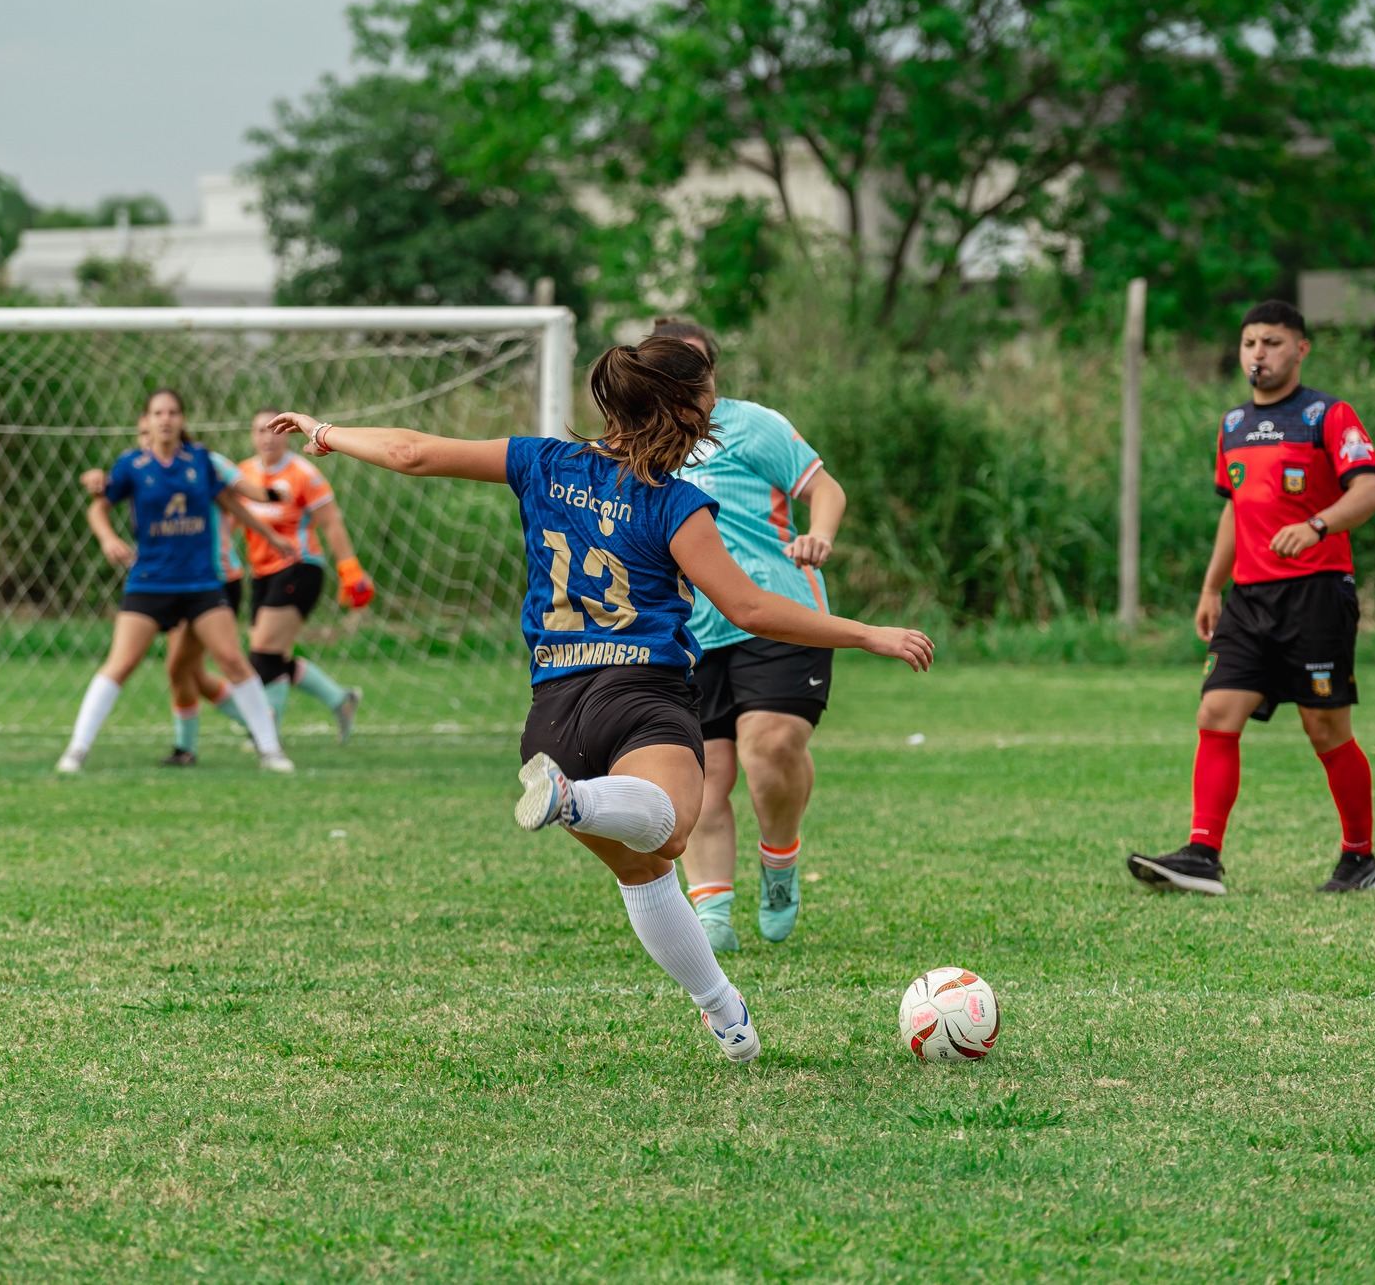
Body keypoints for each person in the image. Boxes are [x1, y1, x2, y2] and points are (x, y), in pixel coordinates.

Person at [263, 336, 935, 1064]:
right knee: (674, 829)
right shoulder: (676, 503)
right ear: (681, 408)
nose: (715, 402)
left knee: (642, 870)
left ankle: (725, 1012)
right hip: (638, 694)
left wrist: (326, 433)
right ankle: (576, 801)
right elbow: (749, 608)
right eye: (707, 393)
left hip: (552, 711)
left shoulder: (542, 462)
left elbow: (413, 451)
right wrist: (866, 632)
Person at [1128, 300, 1375, 896]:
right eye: (1249, 343)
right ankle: (1202, 855)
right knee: (1216, 713)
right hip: (1248, 599)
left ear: (1301, 349)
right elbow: (1234, 510)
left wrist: (1319, 524)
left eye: (1272, 342)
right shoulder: (1233, 425)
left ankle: (1360, 859)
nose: (1258, 354)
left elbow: (1370, 491)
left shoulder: (1328, 414)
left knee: (1326, 730)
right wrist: (1211, 586)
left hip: (1317, 594)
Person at [655, 317, 848, 953]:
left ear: (712, 374)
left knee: (770, 746)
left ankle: (780, 862)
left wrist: (819, 533)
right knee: (705, 773)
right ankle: (712, 911)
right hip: (690, 632)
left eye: (697, 368)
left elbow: (824, 488)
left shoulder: (751, 424)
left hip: (778, 610)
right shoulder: (645, 443)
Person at [55, 389, 299, 775]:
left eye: (172, 412)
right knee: (121, 664)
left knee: (232, 660)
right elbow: (99, 507)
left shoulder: (200, 460)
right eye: (158, 412)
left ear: (182, 419)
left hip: (200, 583)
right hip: (150, 581)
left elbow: (230, 503)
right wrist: (107, 538)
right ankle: (76, 751)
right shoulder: (132, 465)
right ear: (146, 421)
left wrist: (271, 536)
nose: (165, 419)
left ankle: (271, 751)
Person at [230, 408, 370, 739]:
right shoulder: (243, 473)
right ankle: (341, 699)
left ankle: (266, 734)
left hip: (300, 568)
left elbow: (331, 523)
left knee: (262, 650)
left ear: (288, 435)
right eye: (260, 431)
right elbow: (231, 518)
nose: (268, 437)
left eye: (275, 431)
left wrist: (350, 570)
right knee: (272, 656)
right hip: (261, 574)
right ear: (252, 435)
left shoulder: (303, 474)